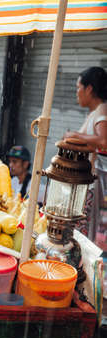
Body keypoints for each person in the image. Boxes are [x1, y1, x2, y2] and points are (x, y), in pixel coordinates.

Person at [64, 66, 107, 239]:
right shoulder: (95, 113)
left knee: (83, 235)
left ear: (89, 89)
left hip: (90, 185)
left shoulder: (102, 109)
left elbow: (104, 141)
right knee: (80, 233)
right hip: (85, 184)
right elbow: (92, 147)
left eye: (78, 87)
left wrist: (74, 135)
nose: (77, 92)